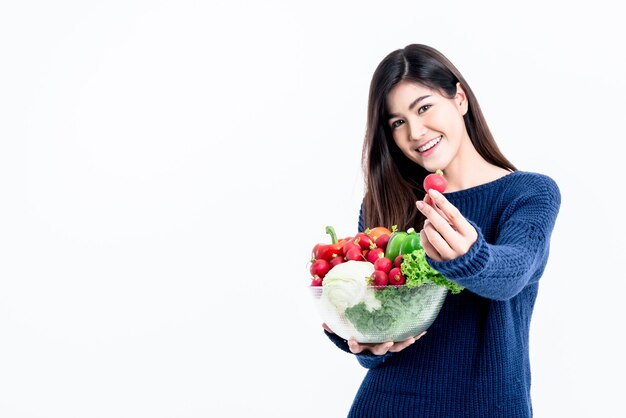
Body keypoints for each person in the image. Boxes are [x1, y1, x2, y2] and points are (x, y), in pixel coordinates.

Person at [322, 44, 561, 417]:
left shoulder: (529, 192)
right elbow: (379, 343)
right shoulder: (384, 205)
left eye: (424, 107)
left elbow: (514, 271)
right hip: (388, 405)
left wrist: (469, 257)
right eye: (397, 122)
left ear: (460, 98)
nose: (415, 132)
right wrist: (368, 343)